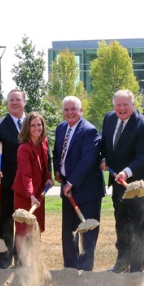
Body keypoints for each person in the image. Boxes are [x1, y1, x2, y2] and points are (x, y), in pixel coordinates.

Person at [100, 89, 144, 273]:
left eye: (125, 105)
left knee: (138, 224)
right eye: (118, 105)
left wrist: (126, 171)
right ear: (114, 105)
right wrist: (104, 158)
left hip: (138, 186)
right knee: (121, 222)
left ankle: (136, 268)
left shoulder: (143, 126)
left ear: (133, 105)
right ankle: (122, 262)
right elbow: (106, 145)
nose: (122, 108)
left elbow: (143, 157)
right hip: (118, 185)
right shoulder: (109, 118)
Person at [53, 96, 103, 271]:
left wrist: (72, 182)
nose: (70, 113)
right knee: (68, 231)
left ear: (81, 110)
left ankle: (86, 269)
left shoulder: (89, 131)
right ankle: (70, 268)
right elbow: (57, 152)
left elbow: (87, 160)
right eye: (66, 109)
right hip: (67, 188)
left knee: (88, 232)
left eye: (73, 109)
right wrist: (57, 170)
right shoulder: (61, 128)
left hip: (87, 190)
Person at [0, 89, 27, 268]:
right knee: (5, 222)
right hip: (6, 182)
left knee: (25, 223)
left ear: (24, 102)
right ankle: (4, 259)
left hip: (27, 184)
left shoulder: (33, 122)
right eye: (11, 100)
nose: (14, 103)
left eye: (18, 100)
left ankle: (23, 260)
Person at [12, 112, 54, 265]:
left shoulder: (44, 142)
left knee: (36, 227)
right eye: (33, 125)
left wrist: (49, 177)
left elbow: (46, 163)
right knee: (23, 230)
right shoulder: (24, 148)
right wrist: (30, 195)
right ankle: (23, 264)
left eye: (39, 124)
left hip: (38, 193)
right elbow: (26, 175)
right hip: (24, 194)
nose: (37, 128)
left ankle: (35, 262)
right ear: (27, 128)